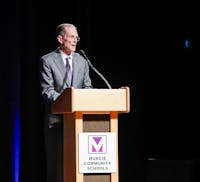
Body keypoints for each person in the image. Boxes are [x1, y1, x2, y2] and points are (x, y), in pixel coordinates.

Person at [39, 23, 93, 182]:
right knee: (56, 165)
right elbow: (47, 91)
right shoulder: (47, 61)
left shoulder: (82, 61)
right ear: (60, 39)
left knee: (76, 163)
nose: (75, 40)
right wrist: (67, 101)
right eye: (71, 36)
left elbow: (87, 87)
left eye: (77, 37)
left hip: (77, 120)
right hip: (56, 120)